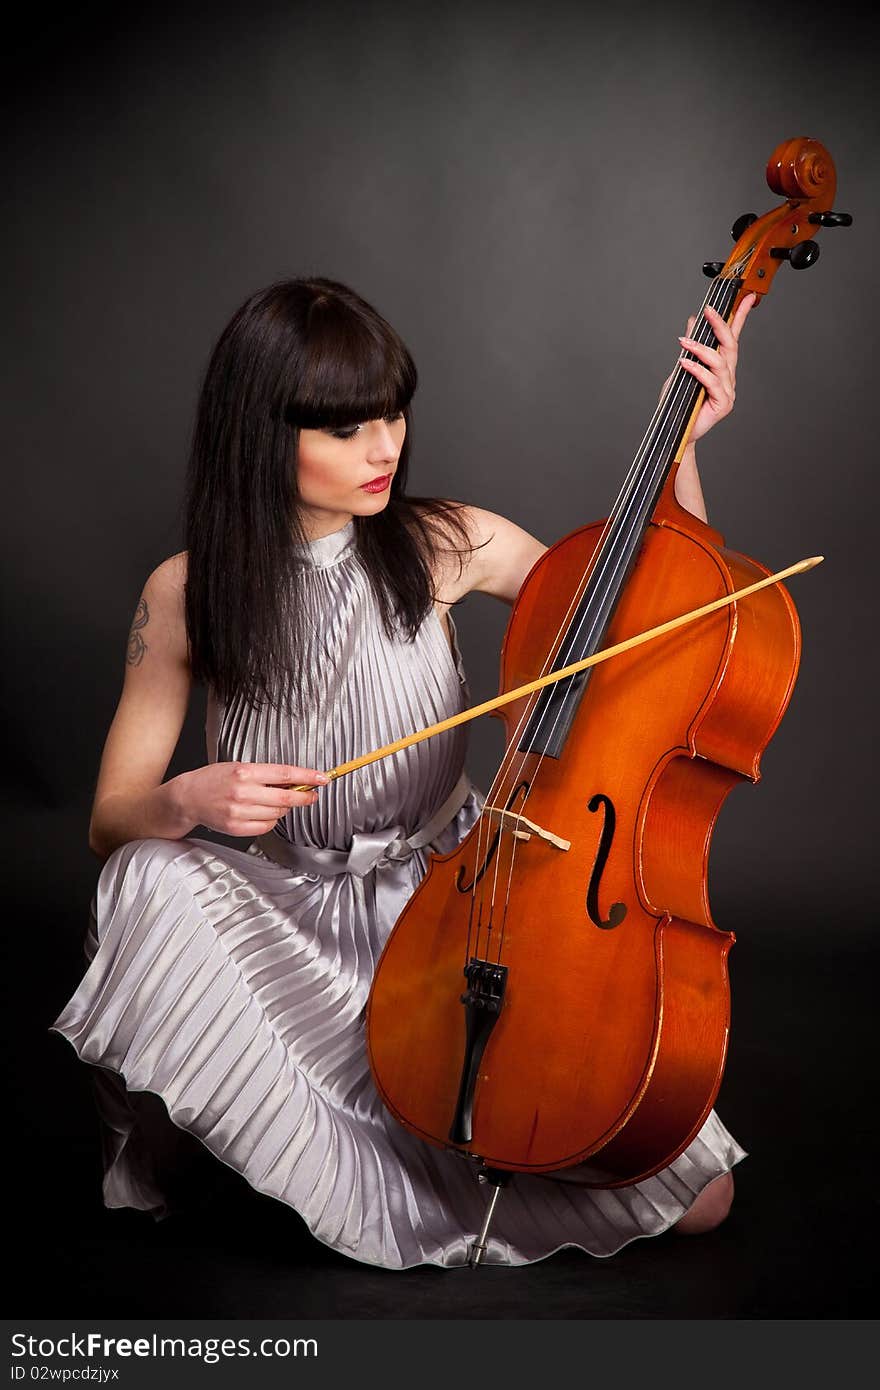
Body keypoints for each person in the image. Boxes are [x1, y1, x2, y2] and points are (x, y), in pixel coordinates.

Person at [50, 275, 756, 1269]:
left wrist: (681, 447)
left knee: (703, 1201)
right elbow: (110, 821)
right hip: (286, 931)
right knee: (142, 879)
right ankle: (297, 1145)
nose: (384, 447)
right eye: (343, 429)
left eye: (390, 413)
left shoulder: (442, 541)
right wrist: (184, 798)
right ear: (259, 433)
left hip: (456, 917)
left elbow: (648, 618)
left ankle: (372, 1154)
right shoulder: (186, 591)